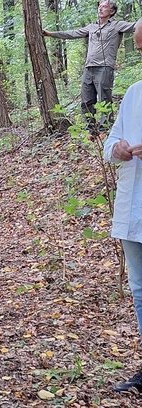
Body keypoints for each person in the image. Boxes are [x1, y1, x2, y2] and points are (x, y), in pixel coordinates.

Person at [103, 22, 142, 392]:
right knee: (141, 290)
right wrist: (115, 149)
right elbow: (112, 140)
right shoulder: (133, 93)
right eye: (138, 47)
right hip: (133, 208)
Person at [43, 0, 137, 132]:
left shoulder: (117, 25)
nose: (100, 8)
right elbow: (73, 33)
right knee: (86, 100)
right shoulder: (91, 27)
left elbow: (136, 25)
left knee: (104, 99)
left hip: (105, 67)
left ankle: (106, 129)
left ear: (112, 11)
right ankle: (90, 130)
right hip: (89, 68)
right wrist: (50, 34)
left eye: (104, 7)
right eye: (100, 6)